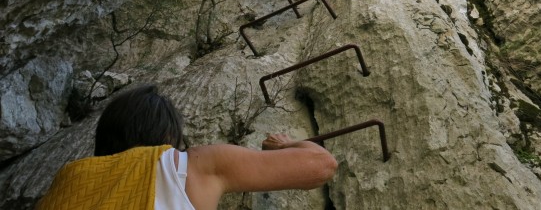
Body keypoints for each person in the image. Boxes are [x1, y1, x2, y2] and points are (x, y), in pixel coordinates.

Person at [37, 84, 338, 210]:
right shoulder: (192, 166)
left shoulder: (67, 181)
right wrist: (287, 143)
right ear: (168, 138)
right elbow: (321, 165)